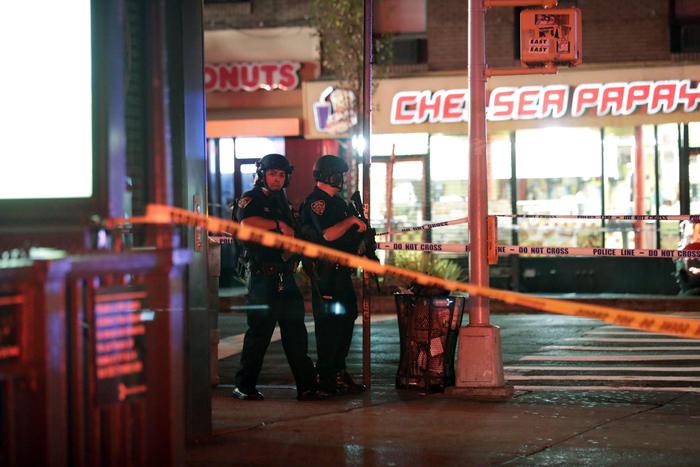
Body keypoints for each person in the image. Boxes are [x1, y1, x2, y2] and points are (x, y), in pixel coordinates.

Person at [232, 153, 328, 401]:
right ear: (262, 174)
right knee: (259, 335)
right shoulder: (250, 198)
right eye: (272, 173)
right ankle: (244, 386)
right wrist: (278, 225)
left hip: (285, 276)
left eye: (281, 175)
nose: (277, 178)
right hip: (262, 278)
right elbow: (246, 225)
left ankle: (307, 387)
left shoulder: (282, 201)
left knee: (296, 334)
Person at [300, 154, 367, 395]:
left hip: (341, 273)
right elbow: (328, 234)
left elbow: (347, 238)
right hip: (326, 273)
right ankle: (327, 376)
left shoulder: (337, 202)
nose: (341, 179)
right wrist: (351, 221)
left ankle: (338, 371)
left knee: (346, 319)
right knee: (329, 326)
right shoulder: (317, 202)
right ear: (327, 175)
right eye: (338, 174)